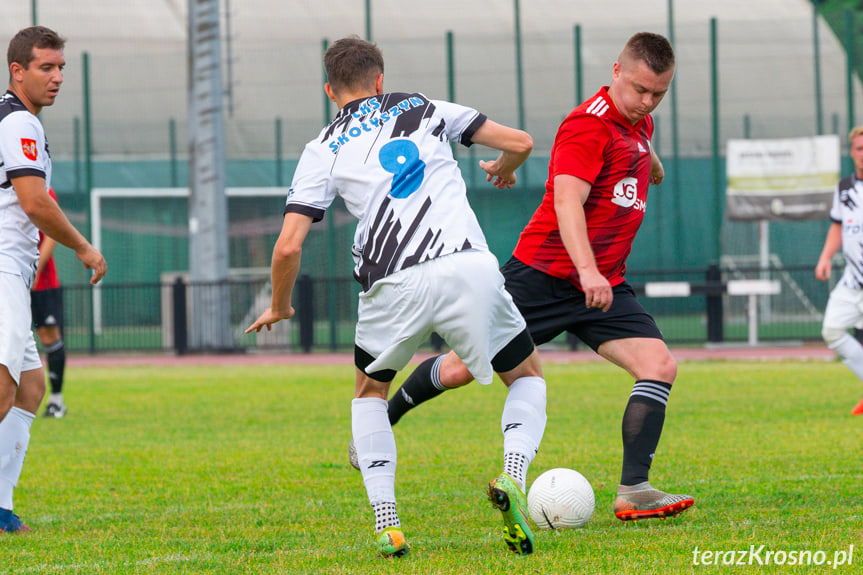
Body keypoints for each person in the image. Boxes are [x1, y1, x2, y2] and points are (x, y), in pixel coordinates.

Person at [361, 31, 695, 522]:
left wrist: (652, 164)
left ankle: (634, 490)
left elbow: (635, 147)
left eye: (658, 94)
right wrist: (587, 272)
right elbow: (567, 204)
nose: (647, 102)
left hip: (602, 283)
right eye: (640, 89)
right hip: (543, 276)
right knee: (457, 369)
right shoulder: (586, 126)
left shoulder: (636, 123)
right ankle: (383, 417)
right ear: (616, 71)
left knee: (659, 366)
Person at [246, 36, 547, 557]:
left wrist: (279, 305)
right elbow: (519, 140)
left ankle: (388, 520)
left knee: (369, 392)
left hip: (393, 280)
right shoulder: (424, 106)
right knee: (524, 376)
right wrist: (504, 168)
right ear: (380, 80)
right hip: (466, 264)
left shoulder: (323, 148)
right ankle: (514, 473)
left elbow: (288, 245)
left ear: (329, 91)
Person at [0, 26, 107, 533]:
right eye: (47, 67)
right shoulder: (18, 121)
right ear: (17, 71)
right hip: (1, 268)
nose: (58, 77)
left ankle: (0, 505)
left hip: (13, 274)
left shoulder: (16, 119)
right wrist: (84, 248)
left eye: (61, 67)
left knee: (31, 387)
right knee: (4, 388)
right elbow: (35, 202)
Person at [815, 125, 863, 415]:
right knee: (832, 330)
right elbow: (837, 226)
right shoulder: (844, 188)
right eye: (859, 148)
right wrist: (825, 258)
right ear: (852, 152)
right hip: (851, 282)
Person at [31, 188, 67, 418]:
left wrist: (36, 270)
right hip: (10, 279)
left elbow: (52, 234)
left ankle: (56, 400)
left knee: (49, 337)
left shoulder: (42, 189)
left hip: (42, 283)